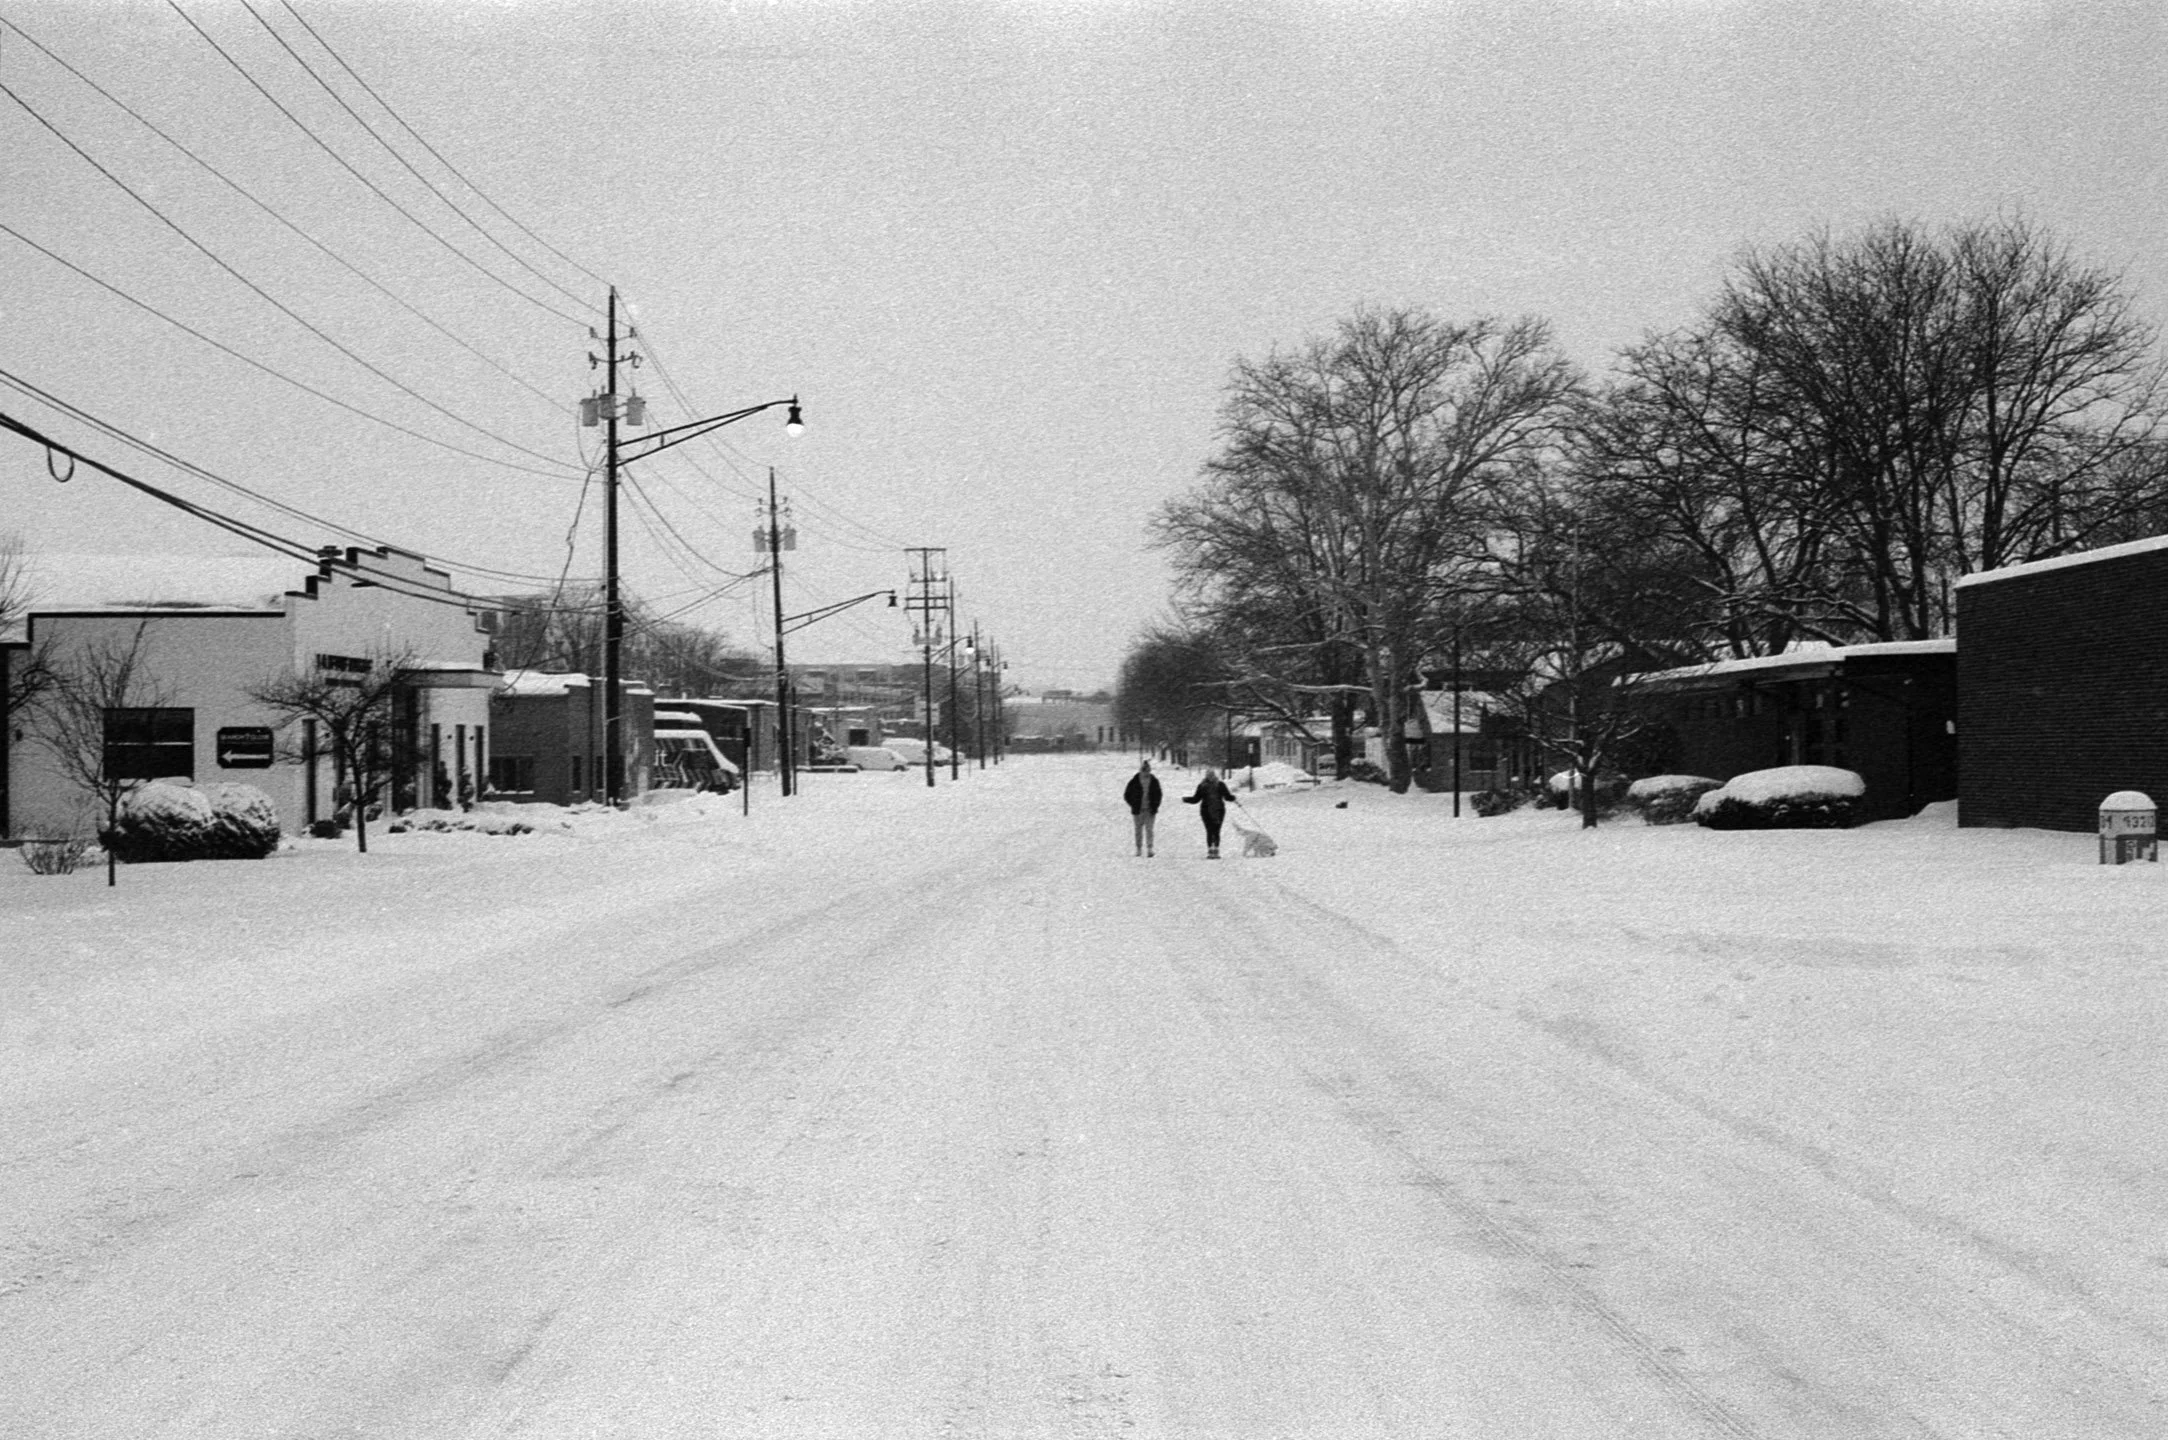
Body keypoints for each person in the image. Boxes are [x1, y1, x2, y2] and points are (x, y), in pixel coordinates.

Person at [1184, 767, 1237, 858]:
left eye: (1212, 775)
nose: (1211, 777)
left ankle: (1215, 849)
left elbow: (1227, 796)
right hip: (1207, 811)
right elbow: (1196, 799)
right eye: (1209, 775)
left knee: (1216, 830)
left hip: (1218, 810)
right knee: (1209, 830)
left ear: (1214, 775)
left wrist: (1232, 798)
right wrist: (1187, 799)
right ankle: (1210, 850)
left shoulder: (1220, 785)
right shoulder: (1203, 786)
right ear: (1206, 776)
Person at [1122, 759, 1163, 857]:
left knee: (1149, 830)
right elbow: (1127, 794)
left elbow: (1159, 794)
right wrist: (1133, 804)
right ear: (1141, 770)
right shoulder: (1134, 781)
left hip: (1150, 810)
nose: (1146, 772)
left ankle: (1149, 848)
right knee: (1138, 831)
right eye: (1144, 770)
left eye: (1148, 770)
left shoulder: (1154, 781)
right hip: (1138, 810)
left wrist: (1155, 805)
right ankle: (1138, 848)